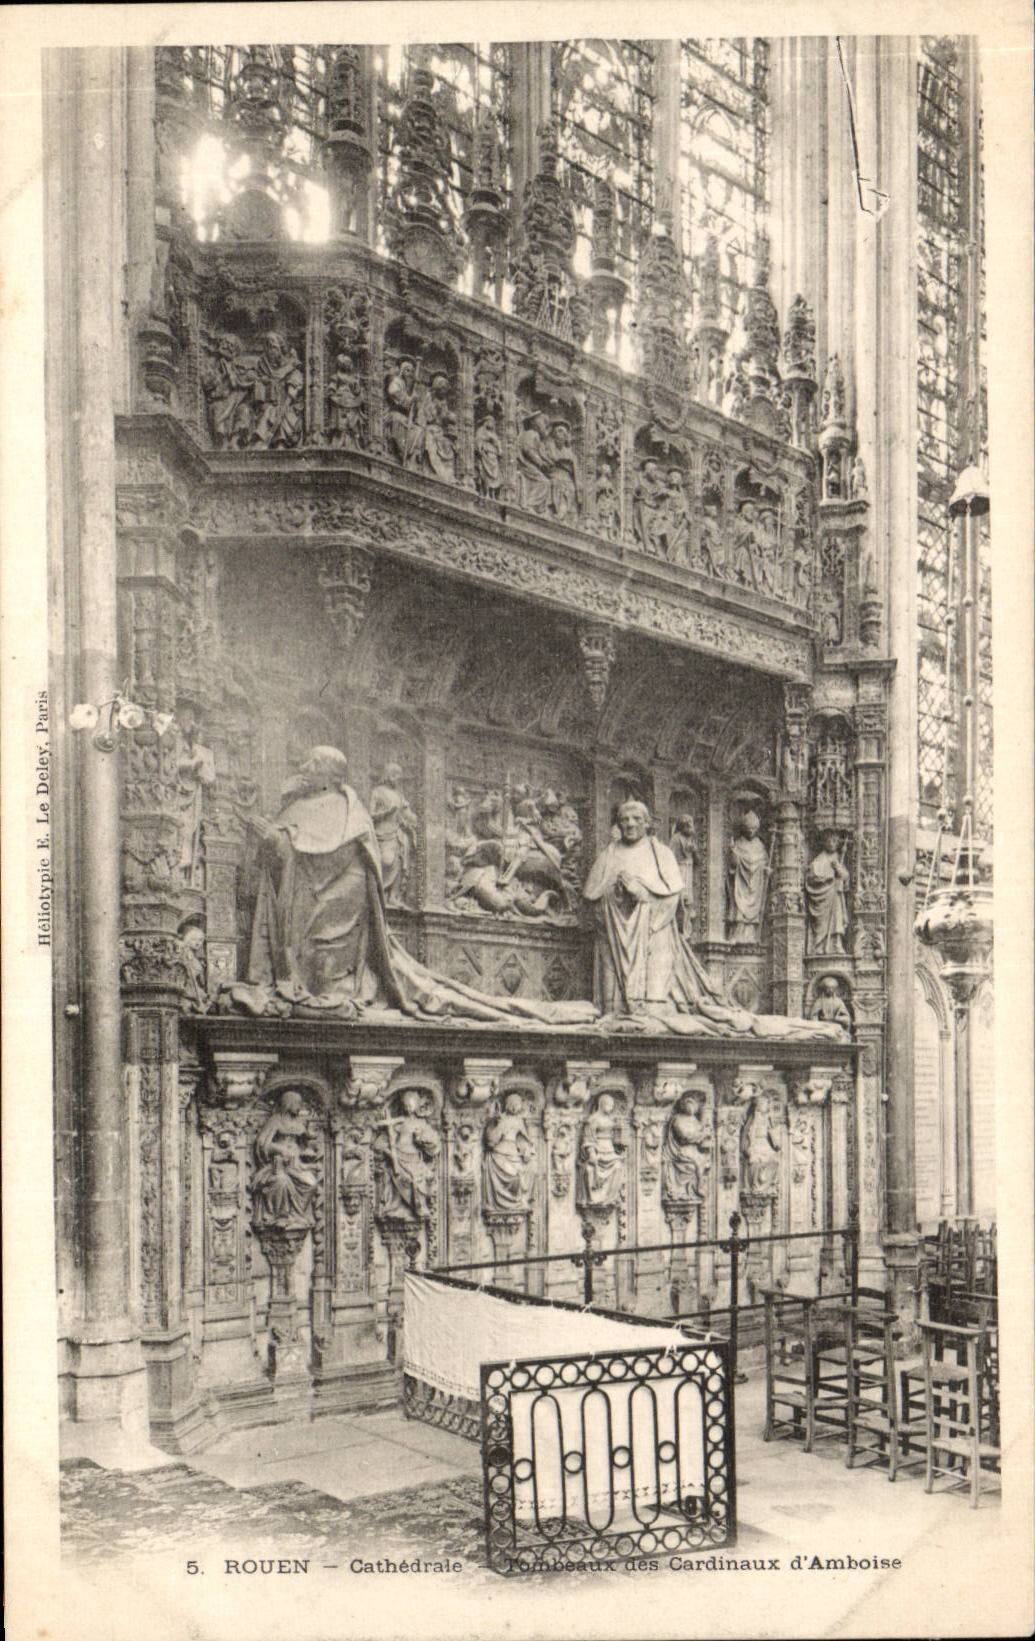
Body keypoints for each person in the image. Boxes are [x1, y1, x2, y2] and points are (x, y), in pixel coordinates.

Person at [252, 1091, 319, 1230]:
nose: (300, 1106)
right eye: (297, 1103)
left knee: (311, 1183)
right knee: (282, 1182)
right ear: (289, 1103)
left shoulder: (299, 1122)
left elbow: (307, 1144)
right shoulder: (276, 1120)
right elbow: (262, 1143)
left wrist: (309, 1138)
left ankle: (296, 1215)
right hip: (279, 1163)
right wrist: (280, 1149)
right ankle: (281, 1215)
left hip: (296, 1163)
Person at [369, 762, 418, 908]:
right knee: (386, 861)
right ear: (388, 775)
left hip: (397, 833)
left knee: (400, 861)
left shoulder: (399, 795)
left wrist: (413, 819)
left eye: (399, 776)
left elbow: (406, 813)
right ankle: (379, 894)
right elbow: (370, 815)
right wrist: (386, 813)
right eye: (395, 775)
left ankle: (393, 896)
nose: (398, 778)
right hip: (382, 833)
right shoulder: (377, 792)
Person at [482, 1092, 535, 1213]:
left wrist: (527, 1150)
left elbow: (527, 1139)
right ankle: (510, 1203)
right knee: (514, 1176)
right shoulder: (502, 1119)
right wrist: (497, 1123)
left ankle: (519, 1201)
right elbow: (491, 1140)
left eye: (518, 1104)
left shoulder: (519, 1121)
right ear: (508, 1105)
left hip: (513, 1152)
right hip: (500, 1152)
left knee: (531, 1171)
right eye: (513, 1104)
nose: (515, 1107)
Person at [251, 331, 304, 449]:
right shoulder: (266, 370)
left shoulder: (293, 370)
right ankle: (263, 441)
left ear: (281, 348)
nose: (271, 351)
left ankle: (279, 442)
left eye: (274, 347)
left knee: (276, 413)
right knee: (267, 411)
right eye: (268, 347)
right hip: (270, 405)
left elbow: (291, 396)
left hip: (287, 407)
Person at [661, 1093, 712, 1205]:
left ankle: (697, 1188)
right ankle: (697, 1188)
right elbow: (685, 1136)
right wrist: (702, 1135)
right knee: (695, 1164)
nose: (691, 1107)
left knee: (705, 1162)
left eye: (693, 1104)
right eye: (688, 1104)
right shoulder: (677, 1119)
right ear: (682, 1105)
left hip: (694, 1150)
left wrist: (705, 1132)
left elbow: (701, 1133)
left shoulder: (694, 1120)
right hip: (682, 1150)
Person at [577, 1093, 626, 1208]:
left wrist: (619, 1140)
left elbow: (616, 1138)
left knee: (618, 1166)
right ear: (602, 1104)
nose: (612, 1107)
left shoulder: (610, 1119)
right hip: (598, 1149)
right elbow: (588, 1138)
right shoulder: (593, 1119)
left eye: (612, 1105)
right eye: (609, 1104)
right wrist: (591, 1152)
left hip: (609, 1150)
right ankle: (592, 1199)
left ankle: (610, 1198)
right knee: (589, 1170)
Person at [727, 809, 769, 943]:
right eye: (748, 828)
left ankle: (753, 936)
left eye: (753, 828)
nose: (751, 831)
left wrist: (766, 869)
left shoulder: (760, 845)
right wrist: (733, 853)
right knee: (740, 910)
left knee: (753, 916)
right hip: (741, 883)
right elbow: (733, 865)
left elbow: (764, 861)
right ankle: (738, 935)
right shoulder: (739, 843)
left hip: (756, 884)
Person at [805, 833, 850, 955]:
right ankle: (819, 944)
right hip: (823, 896)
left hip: (836, 896)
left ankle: (836, 944)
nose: (832, 843)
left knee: (837, 918)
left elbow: (845, 877)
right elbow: (811, 877)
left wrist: (839, 870)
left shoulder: (838, 858)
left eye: (835, 841)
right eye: (829, 841)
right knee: (821, 923)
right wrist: (829, 878)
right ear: (824, 843)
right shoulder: (819, 859)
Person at [515, 411, 553, 512]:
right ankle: (530, 504)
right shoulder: (532, 434)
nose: (545, 424)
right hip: (525, 464)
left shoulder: (536, 437)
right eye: (543, 421)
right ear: (533, 422)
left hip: (530, 465)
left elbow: (541, 454)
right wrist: (540, 463)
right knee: (544, 482)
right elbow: (528, 450)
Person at [326, 353, 365, 447]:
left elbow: (357, 391)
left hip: (352, 401)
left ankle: (353, 442)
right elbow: (332, 387)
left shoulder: (353, 378)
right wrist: (333, 393)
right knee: (341, 422)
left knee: (353, 421)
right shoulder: (337, 376)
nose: (350, 365)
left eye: (351, 363)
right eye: (348, 363)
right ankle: (338, 440)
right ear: (343, 365)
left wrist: (358, 388)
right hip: (340, 400)